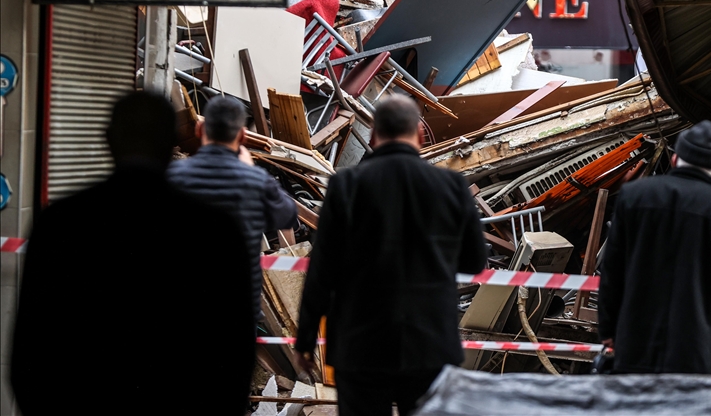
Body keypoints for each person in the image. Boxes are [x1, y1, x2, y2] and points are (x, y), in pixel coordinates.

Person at [11, 93, 256, 415]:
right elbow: (235, 353)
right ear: (172, 142)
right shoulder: (216, 231)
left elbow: (30, 349)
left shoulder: (61, 223)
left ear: (109, 139)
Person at [295, 95, 488, 416]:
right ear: (420, 135)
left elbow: (322, 271)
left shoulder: (346, 185)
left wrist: (304, 340)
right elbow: (474, 262)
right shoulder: (451, 185)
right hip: (429, 343)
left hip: (360, 344)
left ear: (372, 137)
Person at [598, 120, 711, 374]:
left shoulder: (634, 196)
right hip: (699, 355)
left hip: (636, 344)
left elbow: (612, 271)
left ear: (675, 159)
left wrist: (608, 330)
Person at [167, 95, 297, 316]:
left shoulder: (172, 176)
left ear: (199, 129)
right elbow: (288, 216)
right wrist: (250, 169)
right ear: (243, 135)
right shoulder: (257, 182)